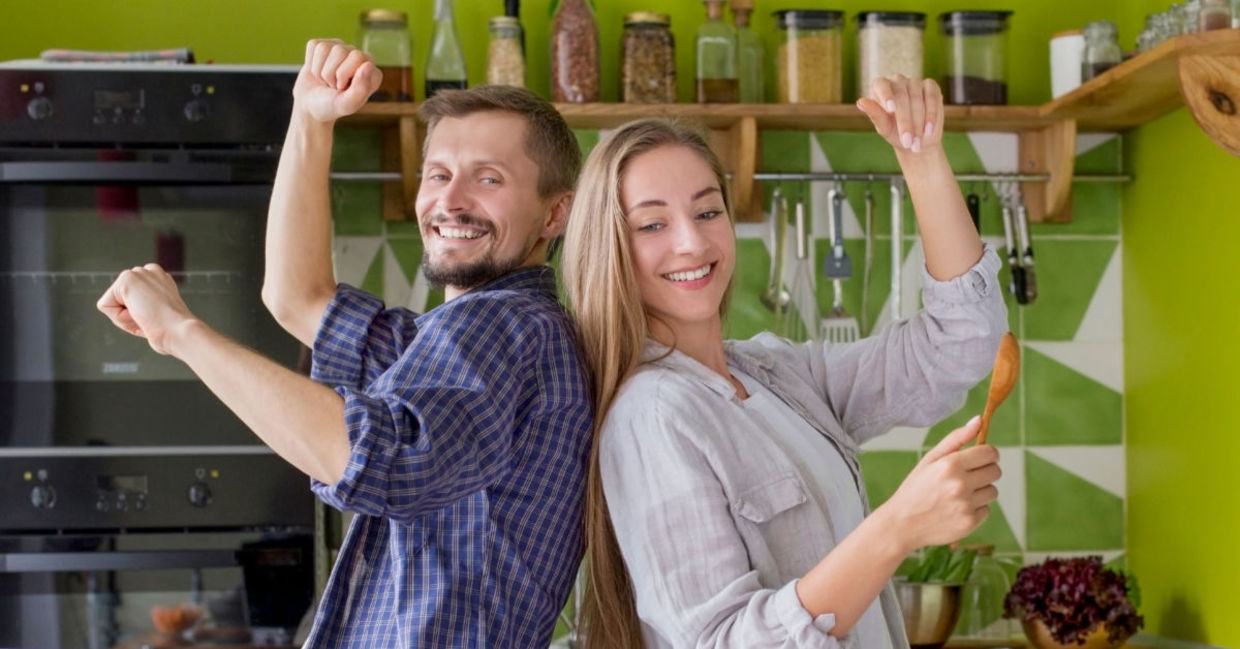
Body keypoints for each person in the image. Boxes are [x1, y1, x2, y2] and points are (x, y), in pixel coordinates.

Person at [96, 40, 592, 648]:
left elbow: (377, 458)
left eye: (488, 178)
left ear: (555, 214)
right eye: (438, 174)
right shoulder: (444, 349)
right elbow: (297, 297)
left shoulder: (508, 327)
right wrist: (311, 116)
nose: (450, 200)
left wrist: (182, 332)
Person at [562, 76, 1007, 649]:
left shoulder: (775, 374)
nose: (692, 244)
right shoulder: (652, 416)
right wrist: (897, 529)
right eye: (652, 225)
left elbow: (960, 343)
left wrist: (921, 161)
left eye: (707, 212)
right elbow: (722, 641)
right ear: (610, 247)